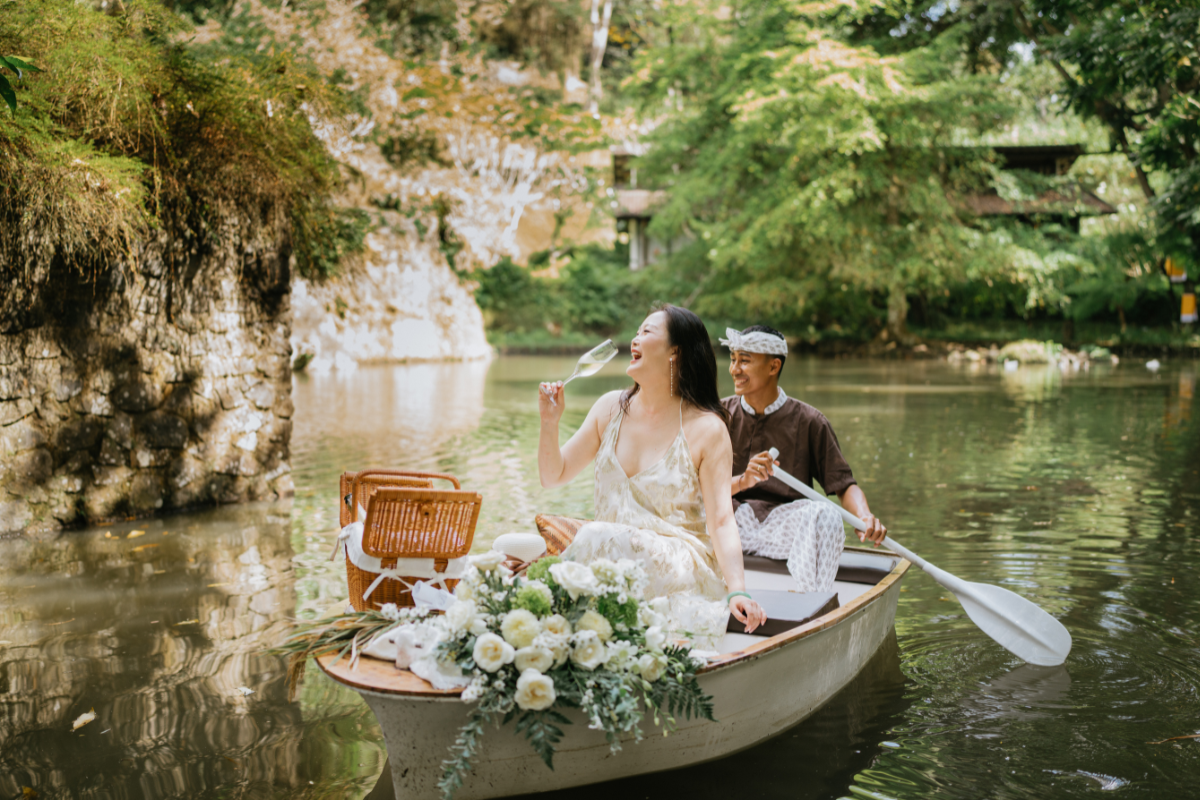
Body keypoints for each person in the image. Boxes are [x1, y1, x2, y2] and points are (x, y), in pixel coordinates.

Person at [538, 306, 767, 650]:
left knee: (595, 535)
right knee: (554, 543)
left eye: (647, 332)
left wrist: (737, 589)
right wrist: (549, 422)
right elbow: (552, 476)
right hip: (611, 557)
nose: (635, 338)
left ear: (675, 351)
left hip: (678, 562)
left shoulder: (707, 428)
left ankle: (547, 618)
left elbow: (721, 520)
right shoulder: (608, 408)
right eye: (637, 331)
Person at [721, 325, 887, 593]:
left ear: (773, 367)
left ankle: (810, 601)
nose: (734, 369)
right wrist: (742, 480)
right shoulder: (717, 416)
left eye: (745, 361)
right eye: (733, 359)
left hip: (786, 529)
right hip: (729, 523)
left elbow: (842, 485)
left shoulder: (811, 421)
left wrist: (865, 517)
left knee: (826, 515)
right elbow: (697, 488)